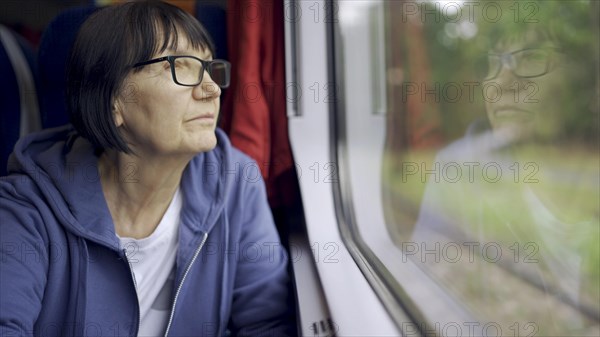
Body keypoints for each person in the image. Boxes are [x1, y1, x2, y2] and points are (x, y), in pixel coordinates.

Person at [0, 1, 294, 336]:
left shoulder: (235, 182)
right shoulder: (24, 212)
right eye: (181, 67)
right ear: (114, 101)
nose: (212, 89)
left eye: (211, 68)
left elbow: (267, 323)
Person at [410, 2, 599, 335]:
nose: (501, 82)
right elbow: (424, 293)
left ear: (590, 80)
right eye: (492, 63)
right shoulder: (459, 172)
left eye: (530, 58)